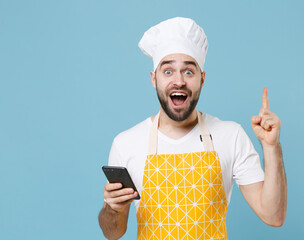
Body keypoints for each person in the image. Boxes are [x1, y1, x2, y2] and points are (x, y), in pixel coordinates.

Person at [98, 17, 287, 240]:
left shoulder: (230, 135)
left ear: (202, 79)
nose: (179, 81)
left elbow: (273, 216)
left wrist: (272, 147)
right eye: (168, 71)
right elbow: (113, 233)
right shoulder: (126, 143)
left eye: (188, 71)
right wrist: (113, 209)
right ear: (153, 78)